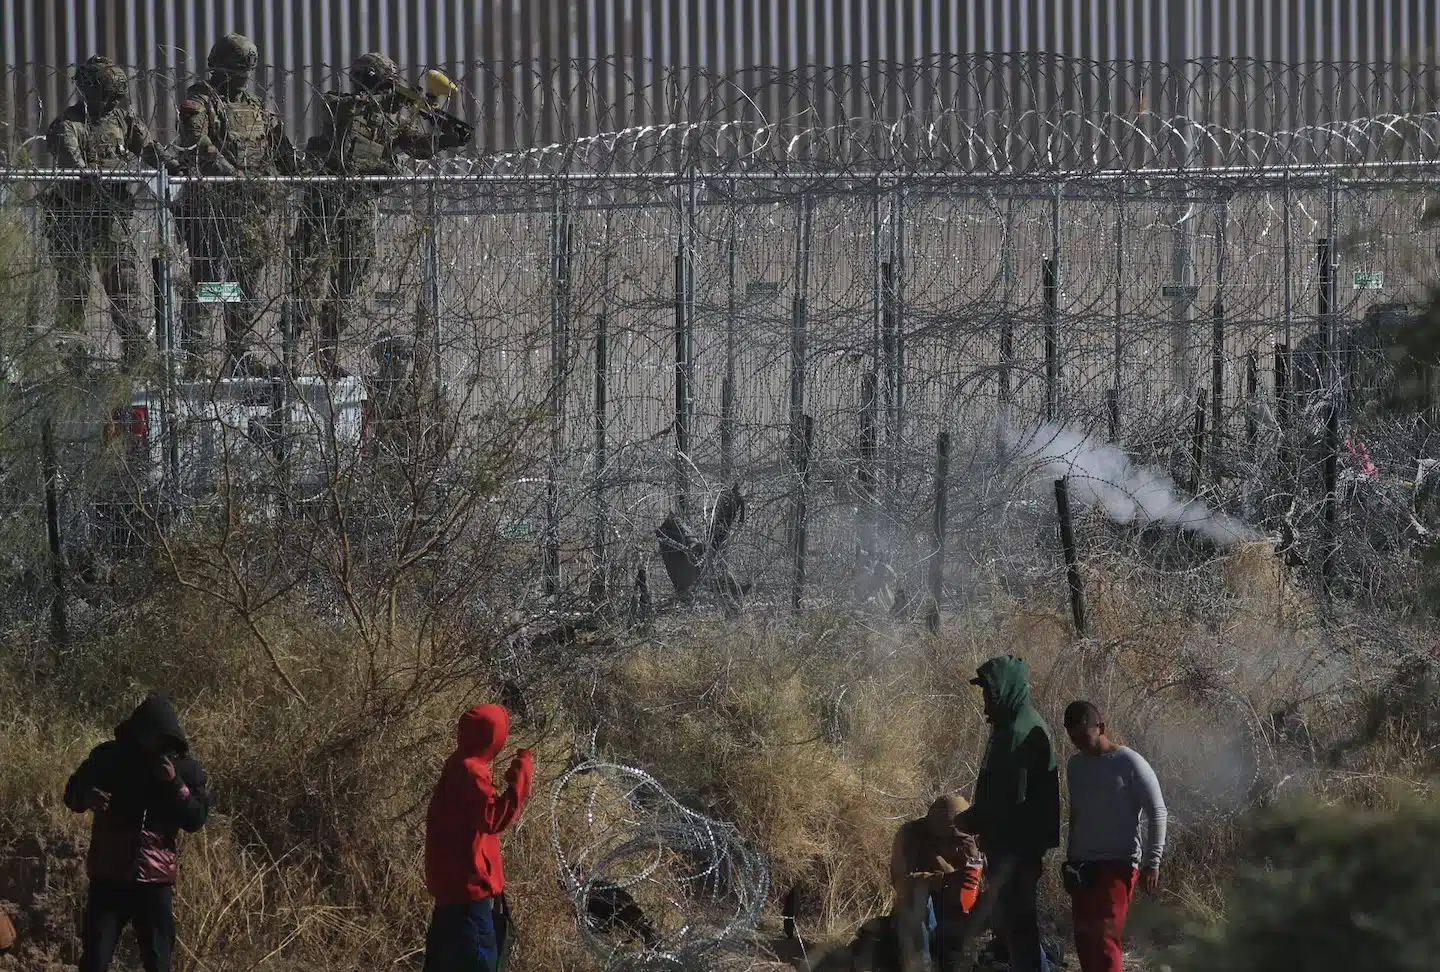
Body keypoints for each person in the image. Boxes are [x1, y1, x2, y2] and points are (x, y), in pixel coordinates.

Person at [294, 53, 473, 378]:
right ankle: (292, 355)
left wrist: (443, 138)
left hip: (360, 206)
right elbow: (349, 115)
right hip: (324, 203)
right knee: (309, 278)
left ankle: (326, 354)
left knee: (350, 281)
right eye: (385, 82)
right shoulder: (340, 104)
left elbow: (415, 145)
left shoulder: (393, 115)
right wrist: (396, 99)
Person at [175, 32, 300, 377]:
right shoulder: (200, 101)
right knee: (210, 281)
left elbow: (277, 146)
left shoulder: (255, 106)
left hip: (250, 211)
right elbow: (196, 143)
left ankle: (240, 354)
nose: (236, 81)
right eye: (232, 74)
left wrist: (285, 177)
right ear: (216, 69)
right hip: (212, 209)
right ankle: (196, 356)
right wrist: (235, 176)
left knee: (247, 285)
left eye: (243, 74)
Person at [42, 55, 176, 373]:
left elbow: (149, 150)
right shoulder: (69, 124)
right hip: (73, 220)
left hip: (111, 219)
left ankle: (135, 353)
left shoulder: (122, 120)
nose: (113, 99)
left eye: (116, 93)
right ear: (90, 90)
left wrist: (173, 165)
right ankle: (74, 359)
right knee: (74, 293)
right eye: (107, 92)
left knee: (124, 287)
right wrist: (88, 174)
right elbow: (71, 161)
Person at [63, 693, 211, 972]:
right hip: (108, 878)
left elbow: (195, 819)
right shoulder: (108, 758)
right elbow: (71, 794)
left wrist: (173, 784)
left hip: (154, 882)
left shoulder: (185, 769)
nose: (153, 746)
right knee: (94, 962)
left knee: (158, 963)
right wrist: (86, 796)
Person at [961, 655, 1060, 972]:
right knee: (1015, 931)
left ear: (1006, 690)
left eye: (990, 692)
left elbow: (1008, 803)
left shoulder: (1019, 732)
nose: (986, 701)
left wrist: (969, 820)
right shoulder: (1008, 726)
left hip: (1015, 851)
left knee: (1020, 930)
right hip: (1007, 848)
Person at [423, 703, 533, 972]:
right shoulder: (470, 772)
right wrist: (522, 778)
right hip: (468, 903)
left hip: (456, 898)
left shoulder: (463, 763)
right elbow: (493, 818)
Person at [1061, 701, 1168, 972]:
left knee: (1106, 939)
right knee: (1085, 940)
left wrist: (1152, 862)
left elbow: (1158, 811)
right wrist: (1071, 857)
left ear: (1101, 727)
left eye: (1083, 736)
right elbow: (1076, 812)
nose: (1079, 744)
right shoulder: (1075, 766)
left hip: (1118, 864)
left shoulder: (1129, 763)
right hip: (1083, 867)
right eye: (1073, 739)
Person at [889, 793, 984, 972]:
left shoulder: (970, 839)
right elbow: (901, 882)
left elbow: (978, 888)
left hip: (957, 917)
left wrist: (976, 859)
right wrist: (942, 880)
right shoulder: (911, 834)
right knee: (916, 898)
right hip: (923, 919)